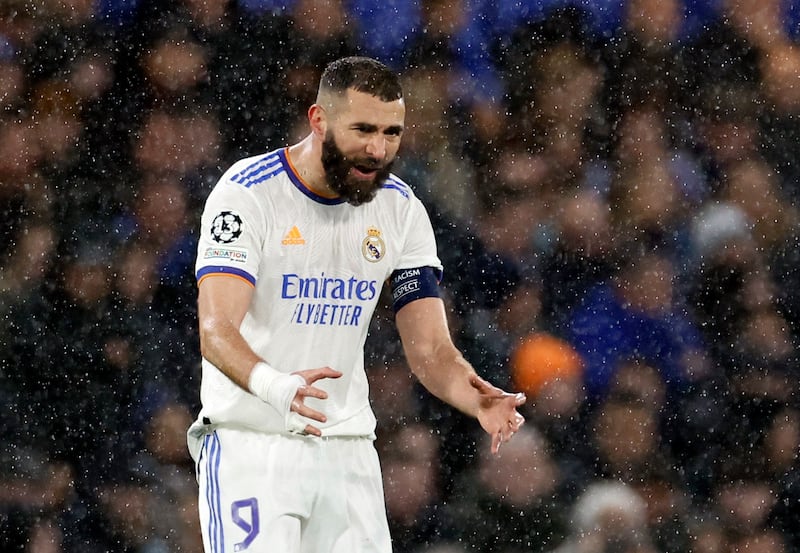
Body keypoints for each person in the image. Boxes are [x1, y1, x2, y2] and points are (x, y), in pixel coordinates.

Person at [186, 55, 526, 553]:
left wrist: (475, 397)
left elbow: (430, 349)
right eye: (363, 129)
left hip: (346, 452)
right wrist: (276, 387)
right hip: (251, 443)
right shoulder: (248, 195)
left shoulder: (401, 210)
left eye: (392, 133)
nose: (377, 149)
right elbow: (215, 329)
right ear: (318, 120)